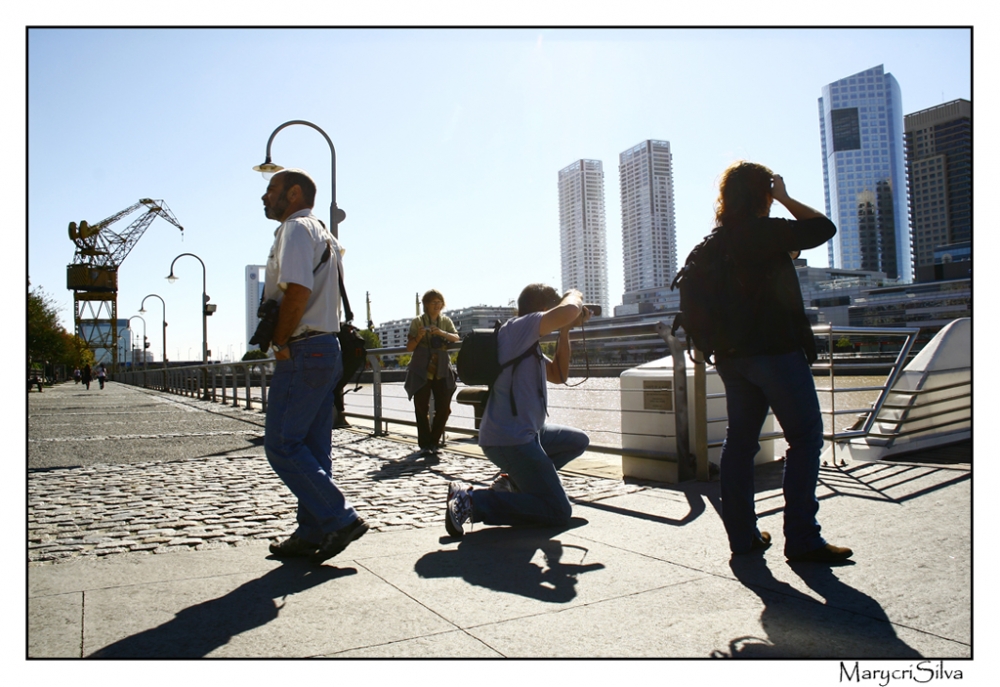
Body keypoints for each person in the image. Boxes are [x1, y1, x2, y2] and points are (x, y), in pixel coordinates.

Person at [709, 161, 851, 563]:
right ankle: (803, 539)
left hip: (732, 359)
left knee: (739, 444)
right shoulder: (763, 232)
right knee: (805, 439)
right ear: (763, 193)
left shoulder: (714, 243)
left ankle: (743, 538)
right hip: (775, 353)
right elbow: (824, 228)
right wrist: (785, 197)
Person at [259, 168, 368, 563]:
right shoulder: (324, 233)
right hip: (327, 348)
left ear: (294, 193)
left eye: (270, 189)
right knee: (314, 448)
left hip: (304, 349)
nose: (264, 196)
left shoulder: (295, 229)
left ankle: (340, 518)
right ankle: (312, 532)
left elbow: (298, 289)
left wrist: (281, 339)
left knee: (283, 445)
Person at [445, 285, 592, 537]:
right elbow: (568, 309)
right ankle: (471, 501)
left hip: (530, 433)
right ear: (545, 309)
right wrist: (574, 294)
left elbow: (559, 374)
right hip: (510, 439)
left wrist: (565, 329)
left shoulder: (526, 342)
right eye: (553, 310)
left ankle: (512, 481)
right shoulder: (519, 328)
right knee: (558, 511)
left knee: (577, 441)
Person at [404, 289, 460, 457]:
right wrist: (420, 336)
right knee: (421, 406)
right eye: (433, 302)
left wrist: (440, 332)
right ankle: (425, 443)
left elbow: (456, 338)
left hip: (441, 366)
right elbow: (409, 347)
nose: (437, 306)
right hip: (422, 366)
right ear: (426, 305)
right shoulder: (417, 322)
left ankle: (434, 441)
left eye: (439, 302)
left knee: (444, 407)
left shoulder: (446, 321)